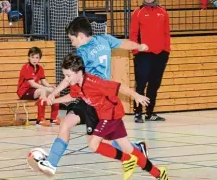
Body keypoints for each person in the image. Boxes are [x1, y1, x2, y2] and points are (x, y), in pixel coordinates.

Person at [34, 16, 150, 172]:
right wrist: (140, 47)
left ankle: (136, 149)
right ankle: (51, 163)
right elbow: (124, 43)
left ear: (81, 36)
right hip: (86, 96)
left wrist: (53, 94)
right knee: (66, 123)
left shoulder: (82, 52)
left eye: (72, 39)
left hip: (97, 99)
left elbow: (69, 79)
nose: (72, 43)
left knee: (100, 143)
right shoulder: (104, 39)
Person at [38, 54, 168, 180]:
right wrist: (54, 100)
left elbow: (119, 87)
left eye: (68, 75)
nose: (66, 79)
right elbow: (72, 96)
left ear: (78, 72)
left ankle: (126, 160)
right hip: (110, 115)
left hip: (110, 115)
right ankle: (159, 173)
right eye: (65, 75)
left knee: (93, 144)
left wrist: (136, 96)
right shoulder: (76, 85)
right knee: (128, 148)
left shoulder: (94, 82)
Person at [130, 0, 170, 123]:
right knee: (140, 84)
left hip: (160, 55)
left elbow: (166, 34)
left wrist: (166, 52)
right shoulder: (138, 12)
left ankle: (150, 113)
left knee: (154, 84)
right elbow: (133, 34)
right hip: (143, 55)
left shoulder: (163, 12)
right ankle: (138, 113)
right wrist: (136, 51)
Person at [17, 47, 60, 126]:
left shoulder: (40, 68)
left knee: (56, 92)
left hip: (34, 91)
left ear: (39, 59)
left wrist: (51, 86)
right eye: (32, 57)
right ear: (28, 57)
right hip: (24, 92)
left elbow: (43, 81)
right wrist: (46, 89)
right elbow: (32, 84)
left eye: (37, 57)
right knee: (42, 91)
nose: (34, 59)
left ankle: (54, 118)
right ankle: (40, 119)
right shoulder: (26, 67)